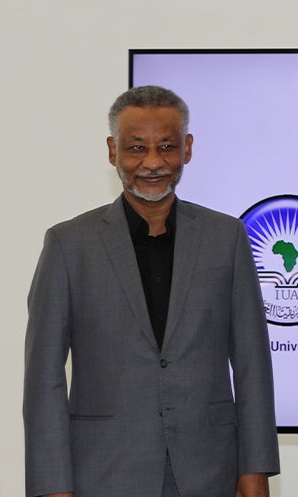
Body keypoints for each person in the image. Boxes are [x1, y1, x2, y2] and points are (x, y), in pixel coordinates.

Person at [22, 85, 279, 497]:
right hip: (103, 473)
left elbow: (252, 362)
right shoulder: (68, 245)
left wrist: (255, 468)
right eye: (137, 148)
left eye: (167, 147)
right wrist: (52, 485)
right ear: (113, 151)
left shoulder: (226, 237)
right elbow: (43, 377)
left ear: (187, 148)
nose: (154, 162)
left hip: (209, 470)